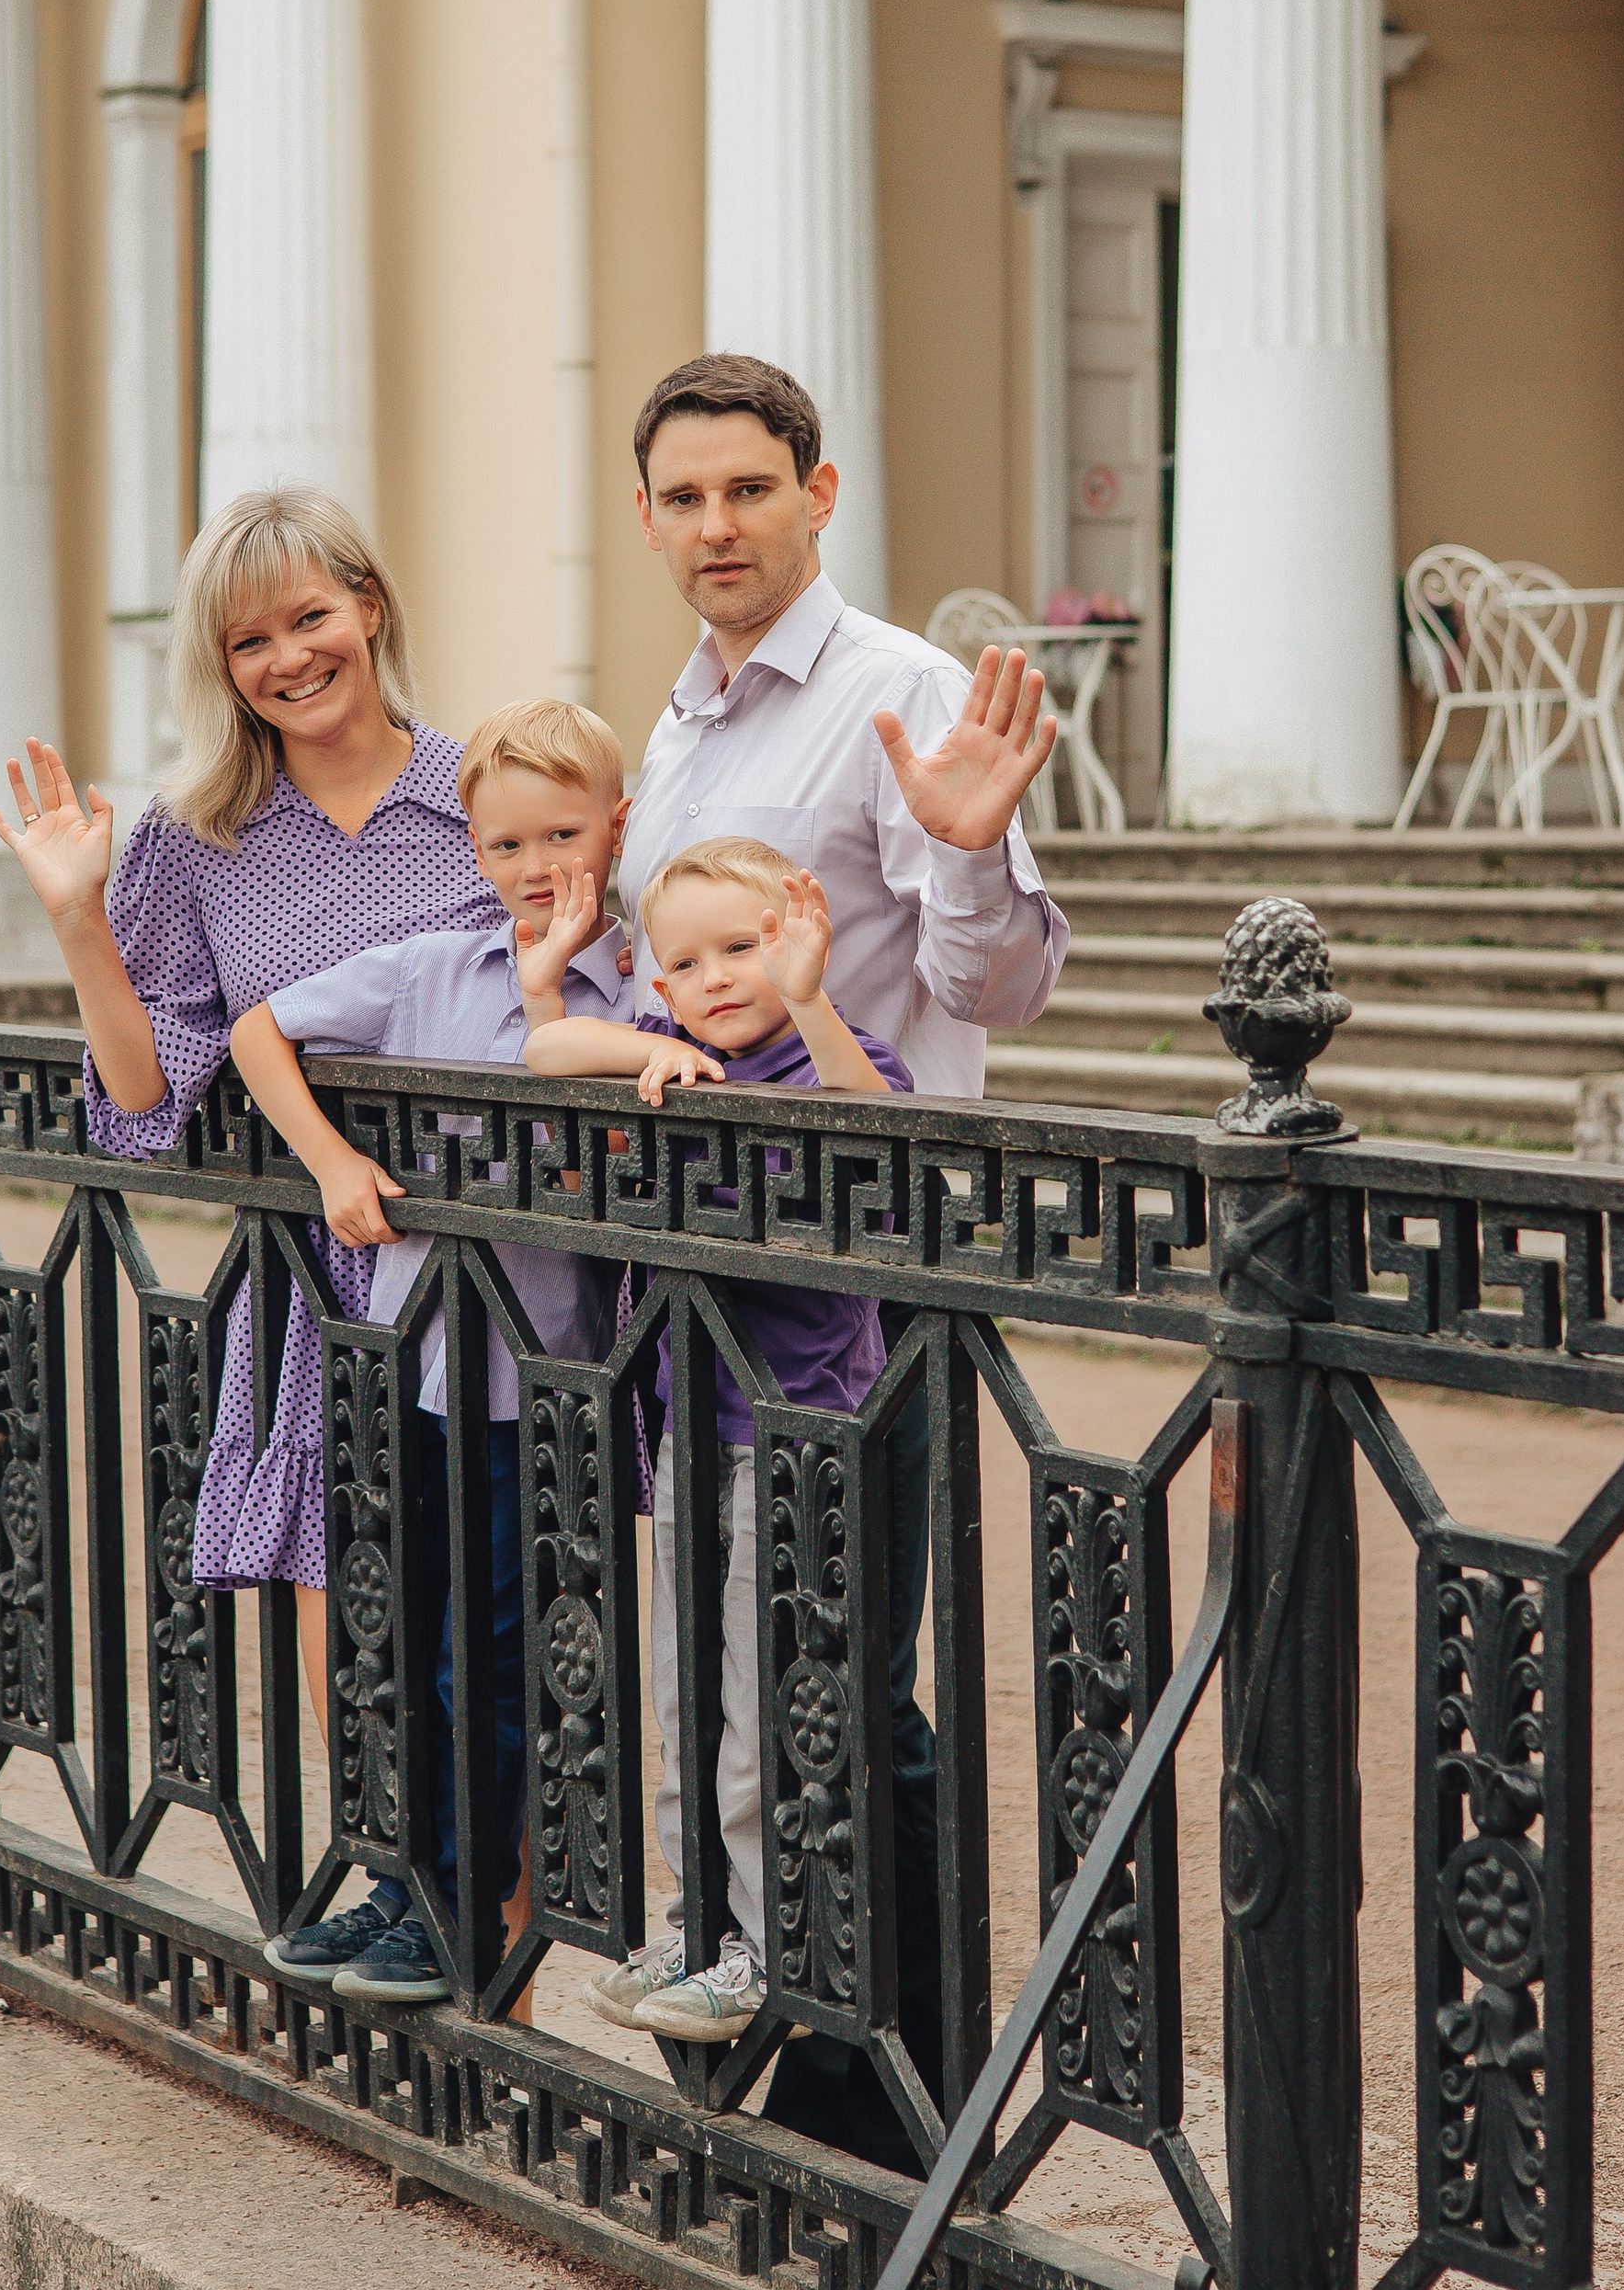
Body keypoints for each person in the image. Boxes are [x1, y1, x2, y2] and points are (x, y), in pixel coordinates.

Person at [617, 352, 1070, 2159]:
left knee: (848, 1683)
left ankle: (905, 2101)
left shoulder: (899, 694)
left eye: (746, 489)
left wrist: (965, 857)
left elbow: (996, 988)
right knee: (727, 1674)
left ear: (817, 492)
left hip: (867, 1276)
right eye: (680, 497)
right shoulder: (679, 726)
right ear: (648, 515)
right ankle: (767, 2051)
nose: (714, 525)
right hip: (705, 1282)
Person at [0, 488, 501, 1736]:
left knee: (501, 1612)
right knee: (347, 1584)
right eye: (249, 641)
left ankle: (508, 1921)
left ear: (368, 608)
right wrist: (78, 921)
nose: (289, 658)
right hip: (320, 1266)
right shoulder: (198, 832)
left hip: (495, 1262)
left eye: (311, 616)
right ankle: (399, 1898)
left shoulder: (484, 792)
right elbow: (145, 1089)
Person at [233, 699, 635, 2011]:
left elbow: (586, 1078)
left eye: (563, 834)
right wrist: (332, 1158)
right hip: (416, 1372)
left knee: (494, 1663)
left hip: (540, 1393)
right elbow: (257, 1034)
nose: (534, 867)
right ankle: (404, 1885)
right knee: (395, 1640)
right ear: (472, 848)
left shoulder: (638, 985)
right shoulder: (423, 969)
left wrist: (552, 983)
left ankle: (466, 1909)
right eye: (508, 841)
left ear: (616, 828)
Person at [526, 837, 912, 2042]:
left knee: (763, 1710)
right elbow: (543, 1049)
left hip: (797, 1440)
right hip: (692, 1432)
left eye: (743, 948)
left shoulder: (829, 1054)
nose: (718, 977)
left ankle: (765, 1947)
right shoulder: (672, 1061)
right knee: (686, 1699)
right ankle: (696, 1924)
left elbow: (881, 1129)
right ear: (655, 978)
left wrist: (808, 996)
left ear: (796, 941)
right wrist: (650, 1044)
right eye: (687, 962)